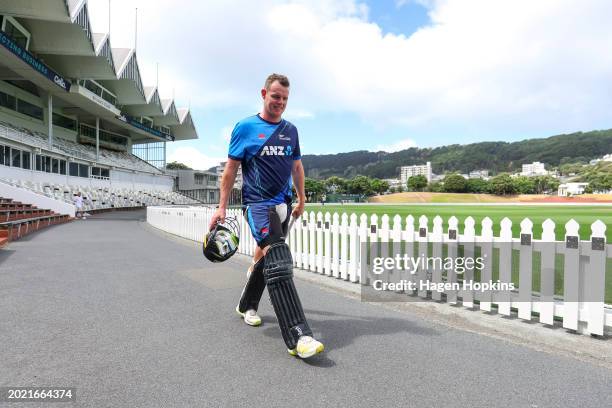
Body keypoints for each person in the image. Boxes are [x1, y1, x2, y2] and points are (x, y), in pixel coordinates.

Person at [209, 73, 324, 359]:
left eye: (285, 98)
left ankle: (247, 304)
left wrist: (301, 197)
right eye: (275, 96)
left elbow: (297, 167)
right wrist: (222, 207)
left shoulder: (291, 130)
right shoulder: (246, 127)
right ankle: (299, 336)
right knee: (280, 261)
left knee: (265, 259)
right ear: (264, 94)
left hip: (283, 205)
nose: (280, 102)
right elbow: (230, 171)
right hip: (258, 205)